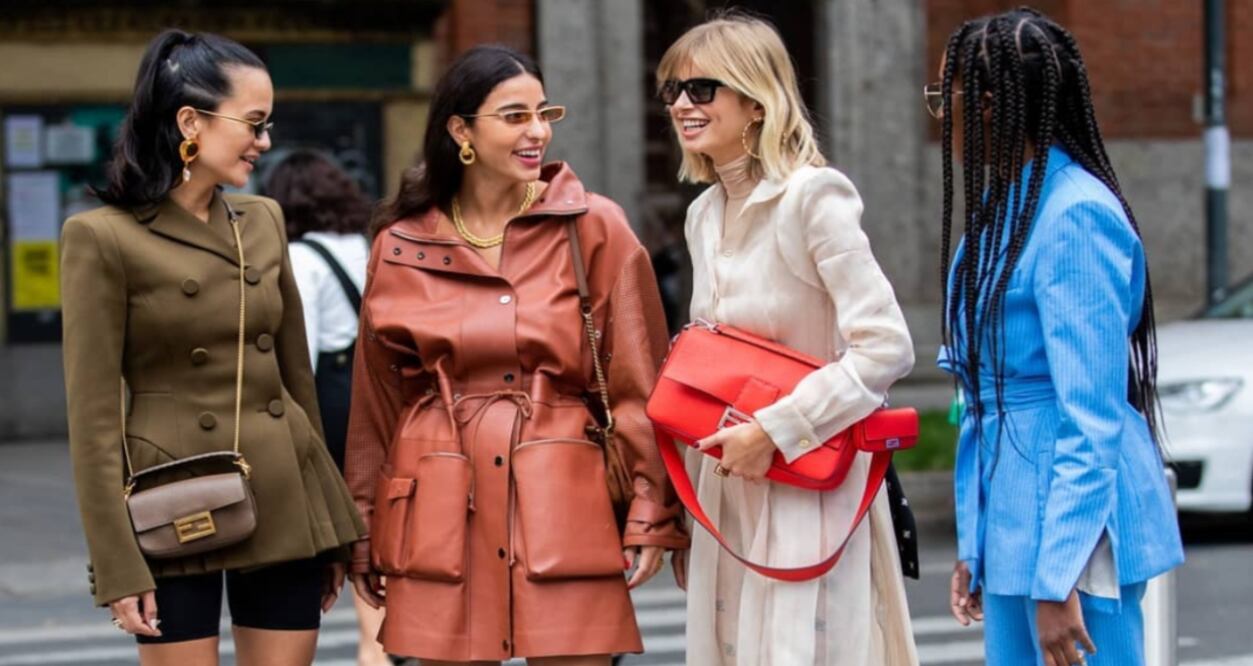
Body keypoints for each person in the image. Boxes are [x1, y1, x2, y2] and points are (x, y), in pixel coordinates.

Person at [343, 44, 690, 665]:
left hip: (565, 495)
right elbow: (376, 404)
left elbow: (640, 380)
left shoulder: (593, 228)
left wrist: (649, 507)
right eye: (514, 116)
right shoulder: (399, 245)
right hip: (437, 496)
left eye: (543, 111)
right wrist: (364, 528)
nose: (538, 131)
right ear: (460, 130)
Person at [60, 29, 365, 665]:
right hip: (172, 502)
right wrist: (117, 563)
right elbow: (92, 420)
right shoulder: (102, 238)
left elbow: (294, 383)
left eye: (268, 123)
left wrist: (326, 526)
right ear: (190, 121)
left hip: (282, 496)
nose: (266, 141)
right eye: (253, 123)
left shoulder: (264, 220)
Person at [657, 13, 919, 665]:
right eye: (672, 91)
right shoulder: (702, 212)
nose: (682, 105)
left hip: (807, 476)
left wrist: (773, 430)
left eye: (701, 89)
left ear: (754, 100)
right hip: (727, 482)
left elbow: (885, 346)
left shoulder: (813, 198)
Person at [932, 8, 1185, 666]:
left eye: (946, 96)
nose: (943, 114)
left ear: (988, 104)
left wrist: (1059, 575)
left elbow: (1089, 414)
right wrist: (977, 542)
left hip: (1069, 522)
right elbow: (986, 401)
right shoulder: (1009, 207)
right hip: (1017, 507)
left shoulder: (1073, 217)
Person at [266, 151, 393, 666]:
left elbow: (304, 354)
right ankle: (385, 640)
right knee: (378, 524)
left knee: (351, 530)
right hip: (378, 397)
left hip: (333, 399)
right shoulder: (366, 245)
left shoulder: (300, 256)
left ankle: (374, 648)